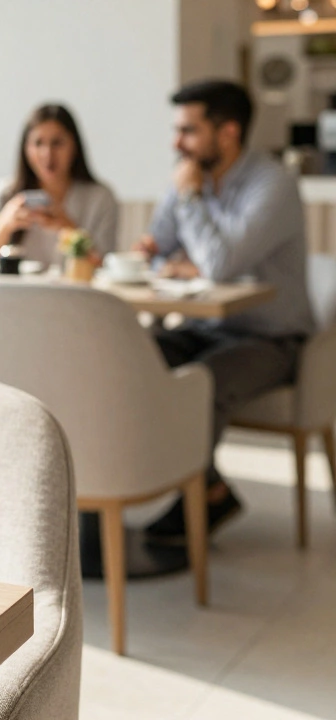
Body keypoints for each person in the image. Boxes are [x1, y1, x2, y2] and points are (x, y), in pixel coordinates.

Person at [137, 80, 315, 544]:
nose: (176, 143)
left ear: (228, 131)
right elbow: (155, 251)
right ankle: (209, 488)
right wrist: (164, 253)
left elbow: (217, 265)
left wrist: (190, 200)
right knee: (136, 358)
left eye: (188, 131)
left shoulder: (272, 185)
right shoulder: (188, 175)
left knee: (205, 380)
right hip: (204, 325)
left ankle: (196, 499)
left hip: (270, 338)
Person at [0, 103, 119, 266]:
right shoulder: (4, 193)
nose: (47, 154)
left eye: (57, 143)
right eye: (38, 143)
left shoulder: (100, 198)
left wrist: (69, 229)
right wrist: (4, 225)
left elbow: (107, 266)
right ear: (25, 148)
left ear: (74, 146)